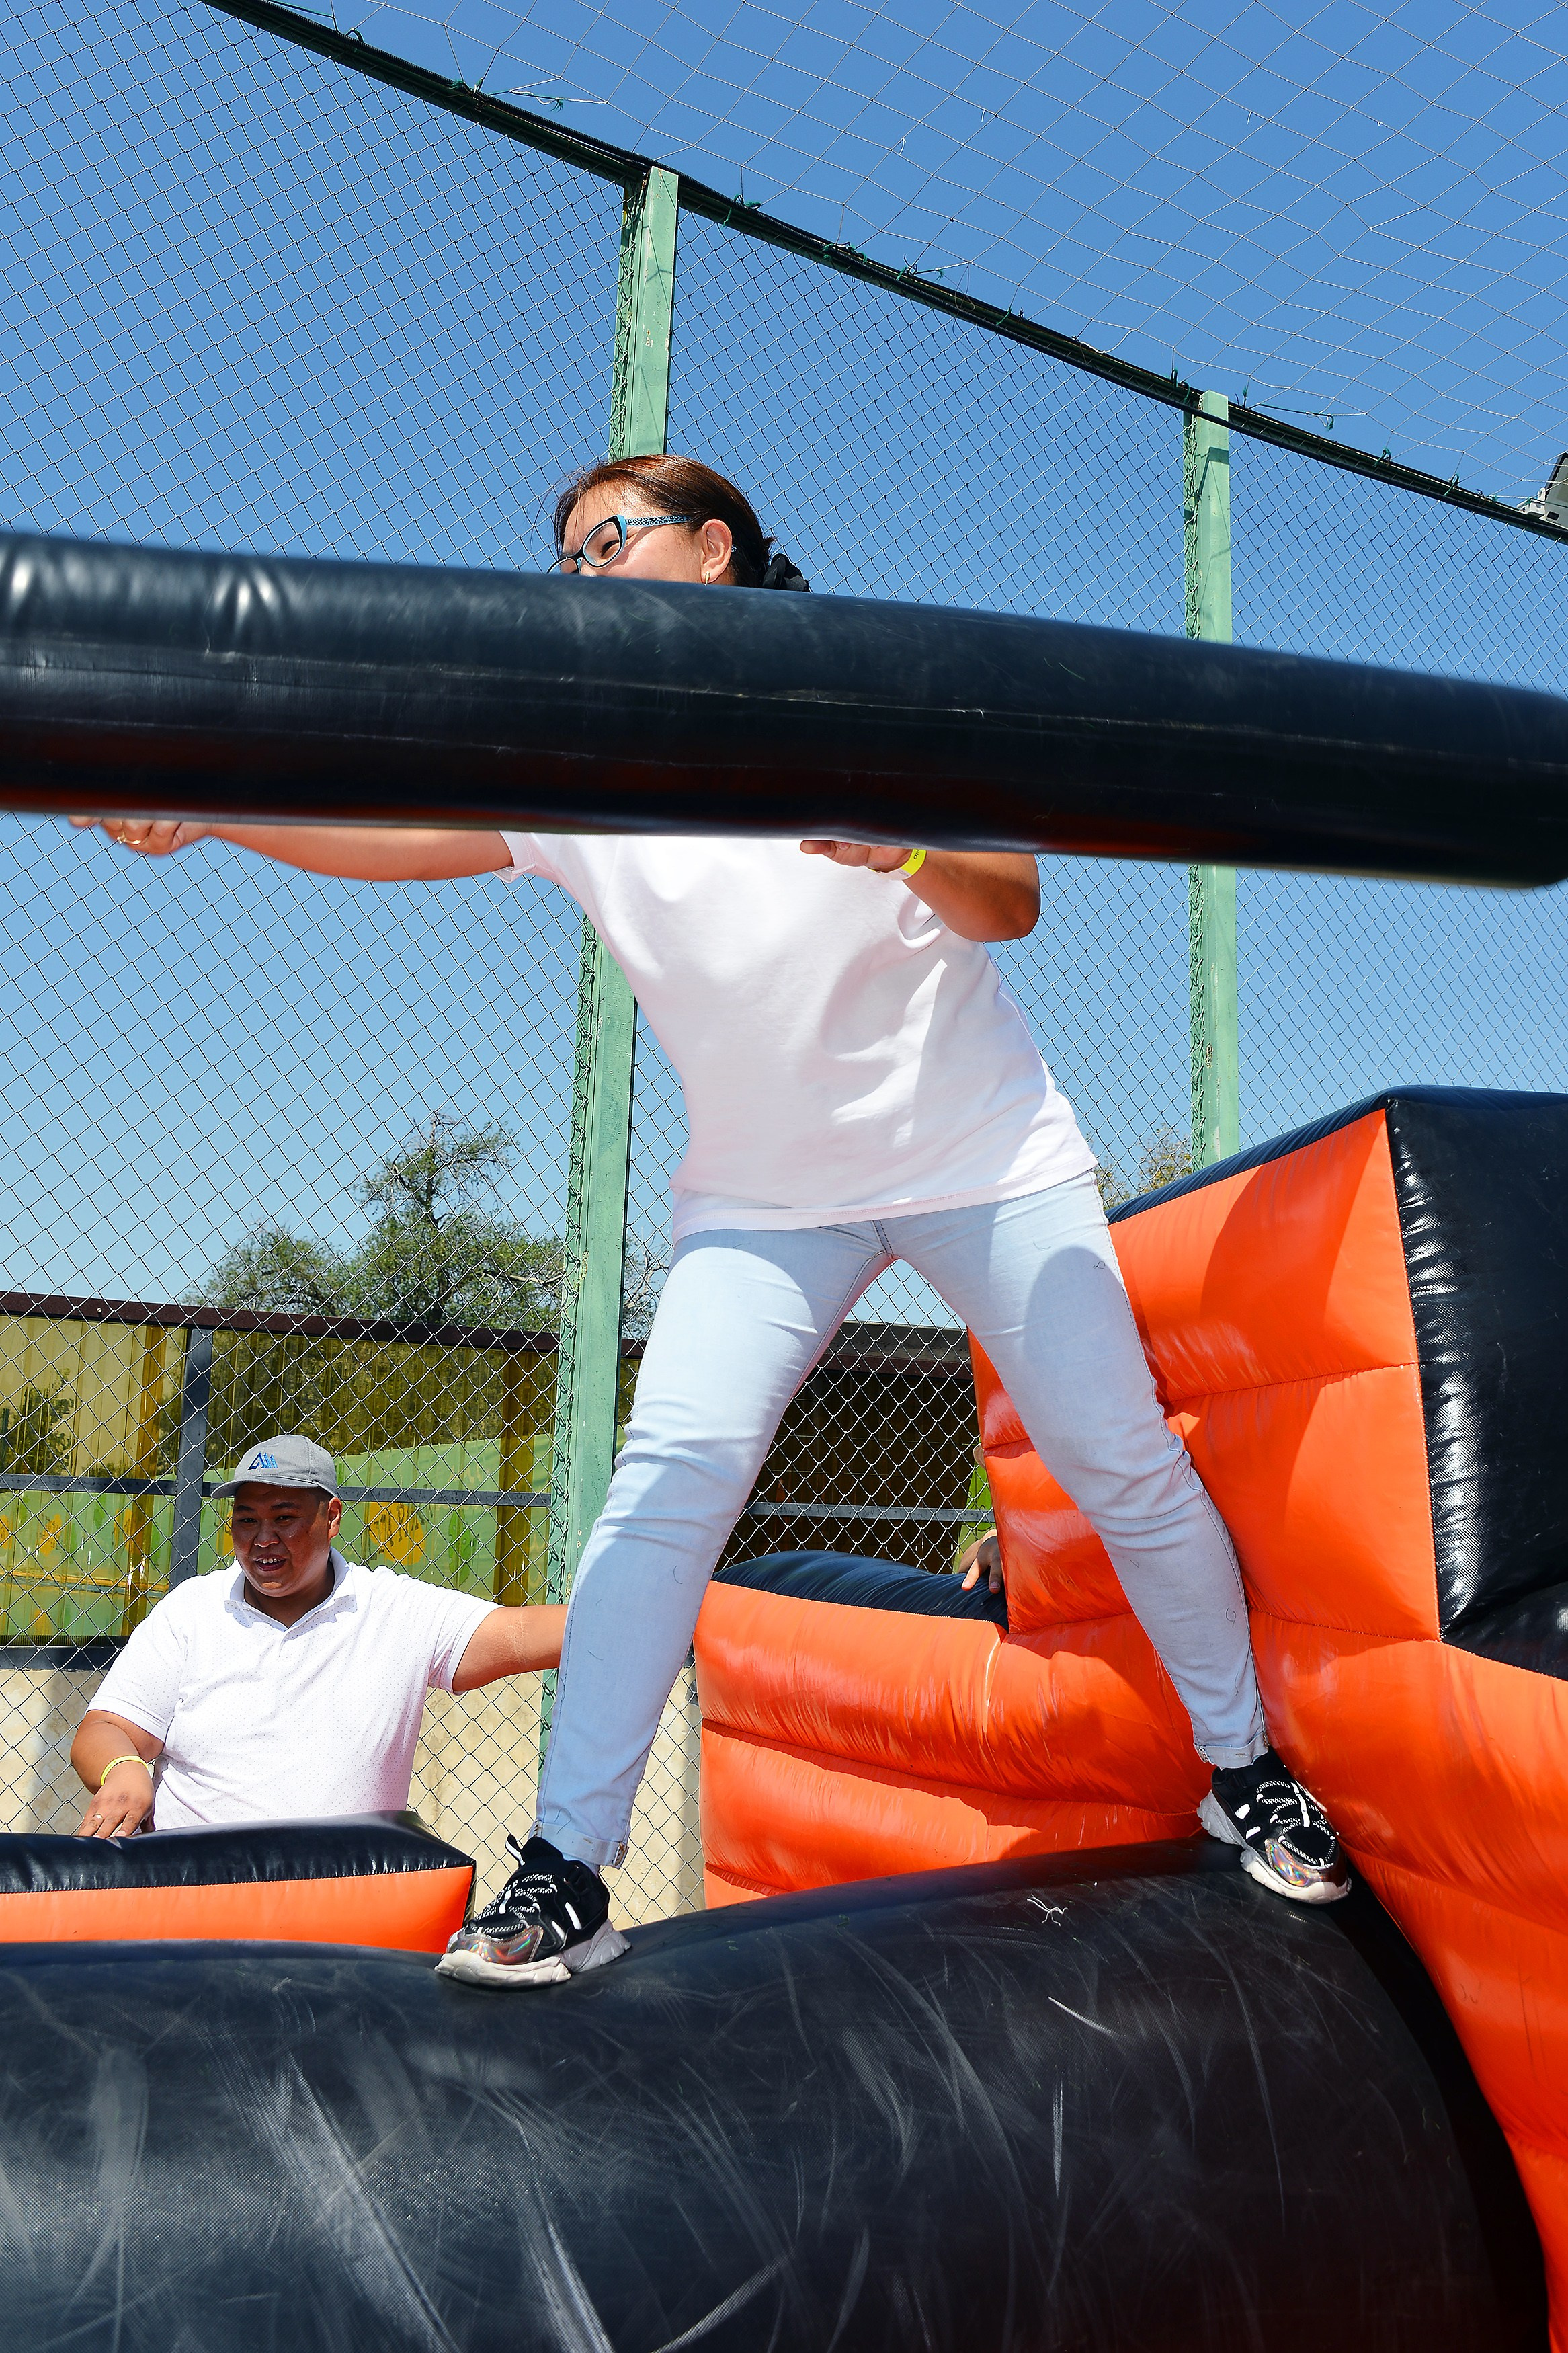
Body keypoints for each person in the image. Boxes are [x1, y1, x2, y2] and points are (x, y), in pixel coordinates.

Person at [77, 450, 1349, 1989]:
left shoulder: (860, 695)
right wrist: (216, 817)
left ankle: (1244, 1770)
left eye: (608, 537)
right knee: (662, 1485)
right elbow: (397, 831)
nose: (579, 570)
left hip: (982, 1155)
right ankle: (568, 1868)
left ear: (714, 550)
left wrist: (908, 843)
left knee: (1114, 1453)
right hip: (766, 1197)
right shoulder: (581, 773)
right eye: (565, 556)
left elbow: (1009, 895)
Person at [71, 1433, 573, 1851]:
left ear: (331, 1516)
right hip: (195, 1891)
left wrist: (621, 1612)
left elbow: (521, 1635)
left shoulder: (395, 1610)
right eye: (246, 1519)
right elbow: (104, 1729)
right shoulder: (191, 1611)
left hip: (345, 1897)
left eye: (284, 1517)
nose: (262, 1539)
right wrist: (123, 1768)